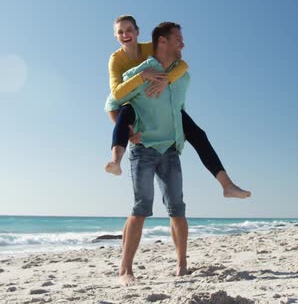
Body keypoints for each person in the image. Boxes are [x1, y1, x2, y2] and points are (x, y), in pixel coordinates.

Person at [104, 15, 251, 199]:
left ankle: (227, 185)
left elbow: (182, 64)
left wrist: (166, 79)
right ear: (115, 36)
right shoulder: (116, 59)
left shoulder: (151, 47)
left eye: (129, 30)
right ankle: (116, 161)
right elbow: (116, 94)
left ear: (137, 32)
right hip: (126, 104)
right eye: (120, 32)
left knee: (197, 134)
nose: (125, 34)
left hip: (156, 102)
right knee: (126, 115)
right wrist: (142, 76)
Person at [105, 22, 190, 286]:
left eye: (129, 29)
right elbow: (112, 101)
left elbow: (179, 108)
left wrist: (167, 79)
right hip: (143, 150)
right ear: (162, 42)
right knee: (141, 208)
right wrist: (129, 130)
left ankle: (182, 264)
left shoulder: (182, 74)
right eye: (178, 38)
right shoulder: (134, 69)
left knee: (177, 209)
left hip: (170, 149)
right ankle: (125, 270)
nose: (183, 43)